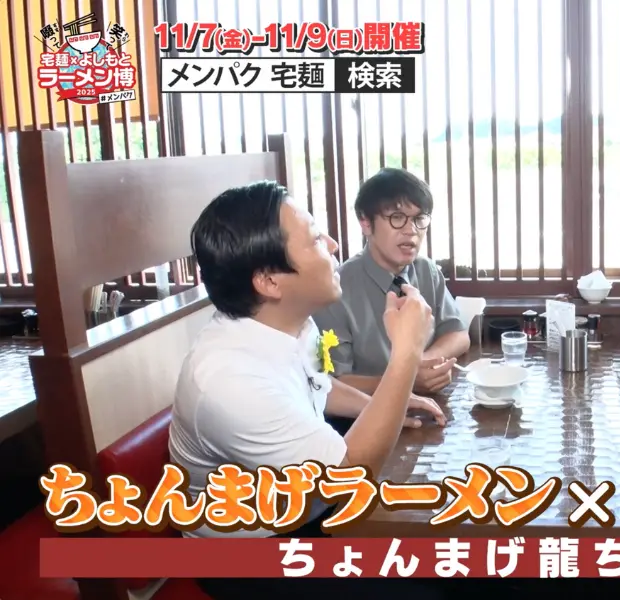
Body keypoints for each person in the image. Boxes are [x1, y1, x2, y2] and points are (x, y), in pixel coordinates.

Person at [169, 181, 445, 599]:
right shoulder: (230, 381)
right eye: (315, 239)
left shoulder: (289, 322)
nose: (333, 245)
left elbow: (318, 385)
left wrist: (387, 404)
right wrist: (405, 354)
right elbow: (347, 477)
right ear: (269, 281)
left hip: (308, 508)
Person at [312, 168, 465, 433]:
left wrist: (421, 362)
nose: (411, 231)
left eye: (419, 219)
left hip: (430, 415)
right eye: (397, 218)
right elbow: (332, 383)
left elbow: (458, 335)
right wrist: (405, 378)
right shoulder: (336, 288)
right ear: (365, 223)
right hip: (360, 425)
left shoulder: (426, 270)